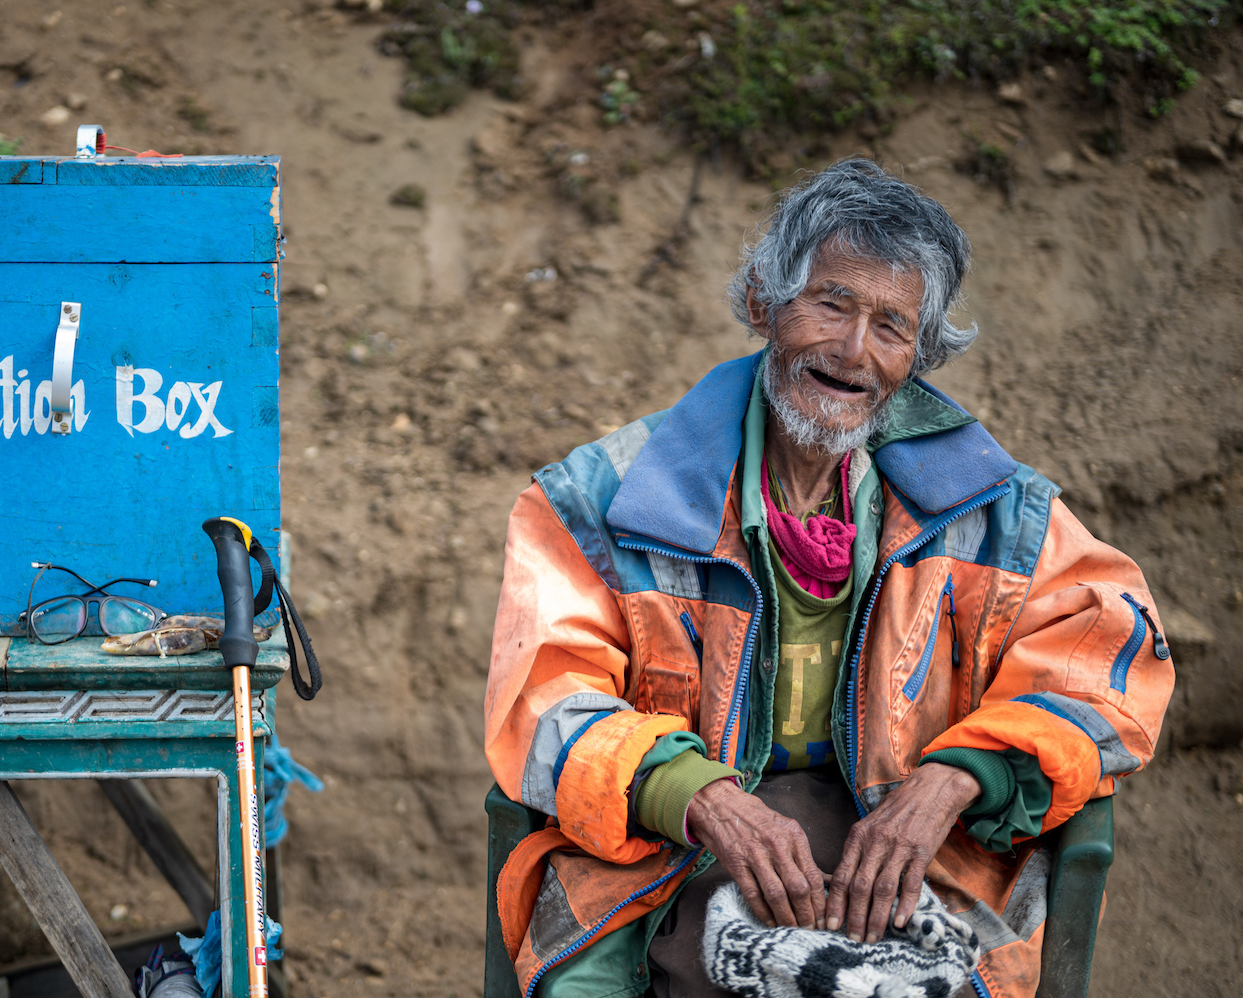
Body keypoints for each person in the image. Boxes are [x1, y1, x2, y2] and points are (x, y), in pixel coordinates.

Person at [484, 159, 1173, 998]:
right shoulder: (601, 500)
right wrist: (701, 797)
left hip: (916, 851)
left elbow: (1110, 662)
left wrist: (955, 779)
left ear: (919, 356)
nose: (854, 351)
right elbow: (544, 701)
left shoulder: (991, 508)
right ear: (763, 304)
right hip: (669, 850)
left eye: (891, 326)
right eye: (832, 304)